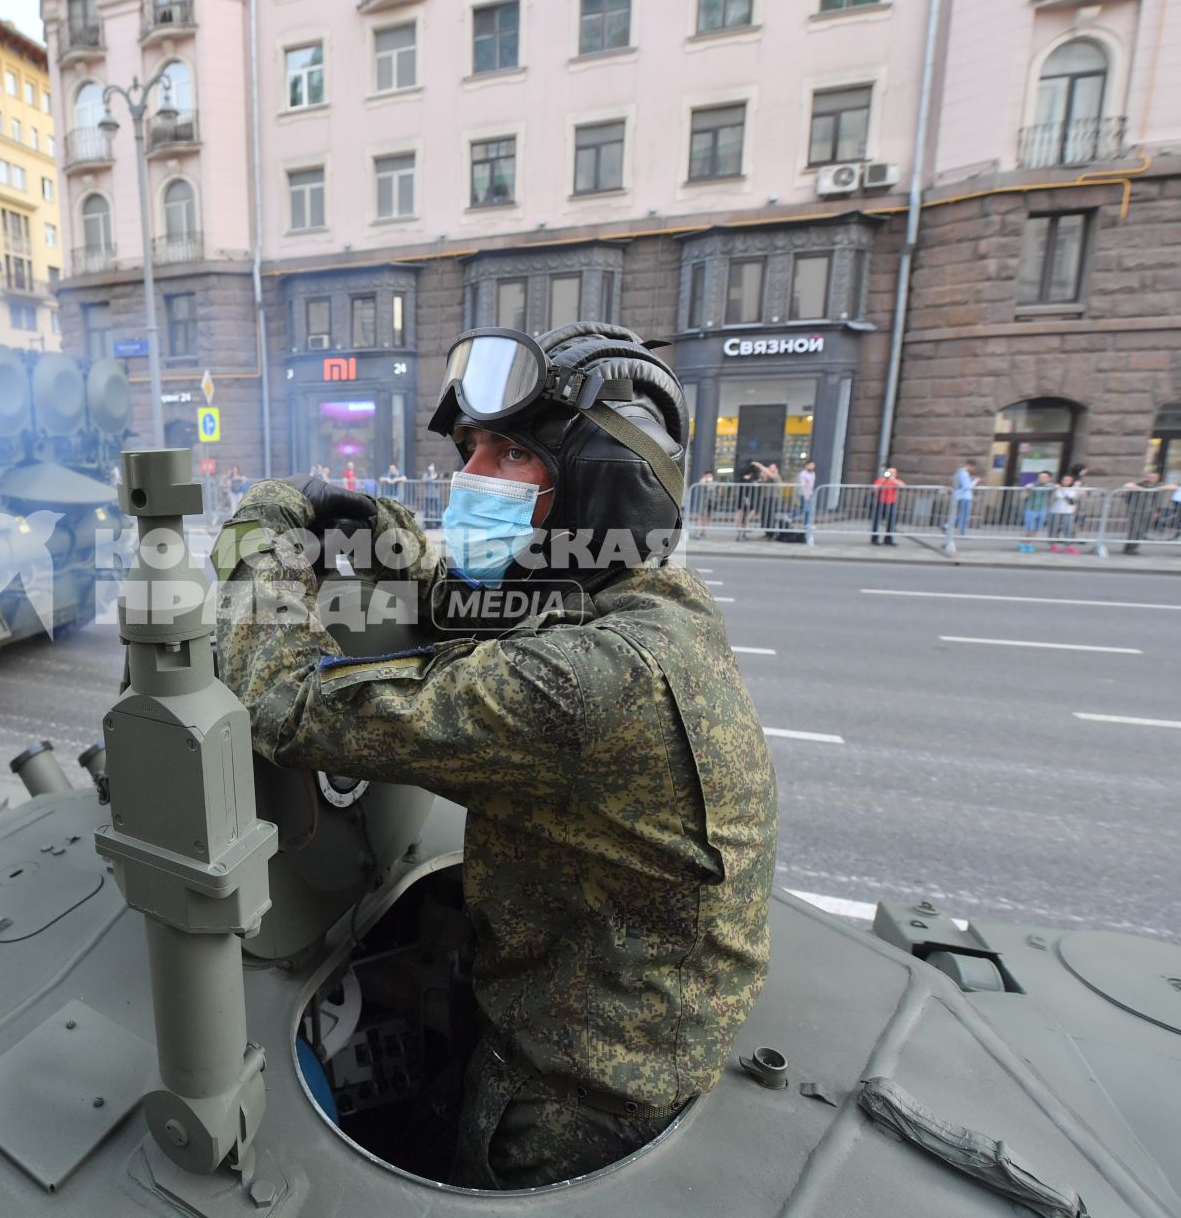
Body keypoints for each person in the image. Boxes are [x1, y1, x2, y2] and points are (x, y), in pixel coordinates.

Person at [214, 322, 776, 1190]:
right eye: (471, 449)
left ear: (602, 488)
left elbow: (289, 703)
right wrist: (371, 522)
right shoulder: (633, 593)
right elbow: (468, 599)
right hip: (590, 1000)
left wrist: (263, 547)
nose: (472, 477)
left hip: (575, 1088)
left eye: (511, 455)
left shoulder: (595, 678)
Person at [1119, 470, 1166, 555]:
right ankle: (1129, 548)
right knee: (1135, 529)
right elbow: (1128, 486)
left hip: (1149, 511)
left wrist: (1157, 511)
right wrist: (1142, 489)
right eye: (1151, 477)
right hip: (1135, 510)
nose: (1152, 479)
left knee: (1143, 530)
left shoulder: (1157, 487)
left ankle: (1134, 546)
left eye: (1154, 477)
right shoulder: (1140, 484)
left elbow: (1157, 500)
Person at [1018, 471, 1052, 553]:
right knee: (1029, 528)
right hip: (1031, 509)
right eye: (1040, 477)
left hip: (1042, 509)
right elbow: (1022, 497)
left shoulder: (1050, 486)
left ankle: (1029, 543)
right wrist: (1027, 490)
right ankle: (1023, 543)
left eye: (1044, 477)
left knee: (1036, 529)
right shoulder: (1032, 485)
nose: (1042, 479)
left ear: (1048, 478)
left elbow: (1056, 489)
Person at [1046, 473, 1080, 553]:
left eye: (1068, 480)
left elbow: (1071, 502)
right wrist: (1055, 490)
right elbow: (1050, 500)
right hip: (1055, 511)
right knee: (1053, 528)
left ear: (1072, 481)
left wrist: (1062, 491)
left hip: (1068, 512)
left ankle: (1068, 546)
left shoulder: (1074, 490)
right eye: (1064, 480)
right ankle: (1053, 545)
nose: (1066, 481)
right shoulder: (1056, 488)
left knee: (1068, 529)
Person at [870, 466, 905, 545]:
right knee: (877, 521)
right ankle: (874, 538)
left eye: (893, 473)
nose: (890, 474)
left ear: (895, 474)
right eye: (889, 472)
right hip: (881, 502)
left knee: (891, 522)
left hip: (891, 503)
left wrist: (893, 480)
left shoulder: (896, 481)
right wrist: (884, 480)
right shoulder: (881, 480)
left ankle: (888, 539)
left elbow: (902, 485)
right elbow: (875, 488)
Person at [951, 459, 981, 536]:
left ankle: (949, 526)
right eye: (973, 467)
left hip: (960, 496)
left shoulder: (959, 472)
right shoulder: (963, 473)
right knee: (964, 514)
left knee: (962, 514)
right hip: (964, 496)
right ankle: (961, 530)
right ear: (970, 466)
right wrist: (975, 481)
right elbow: (967, 486)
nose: (973, 469)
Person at [796, 460, 817, 532]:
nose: (813, 467)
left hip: (810, 493)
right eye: (811, 465)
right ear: (806, 465)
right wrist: (806, 496)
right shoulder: (803, 474)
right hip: (803, 493)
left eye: (813, 465)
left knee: (809, 510)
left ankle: (807, 524)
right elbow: (803, 486)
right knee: (804, 509)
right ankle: (790, 516)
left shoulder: (813, 473)